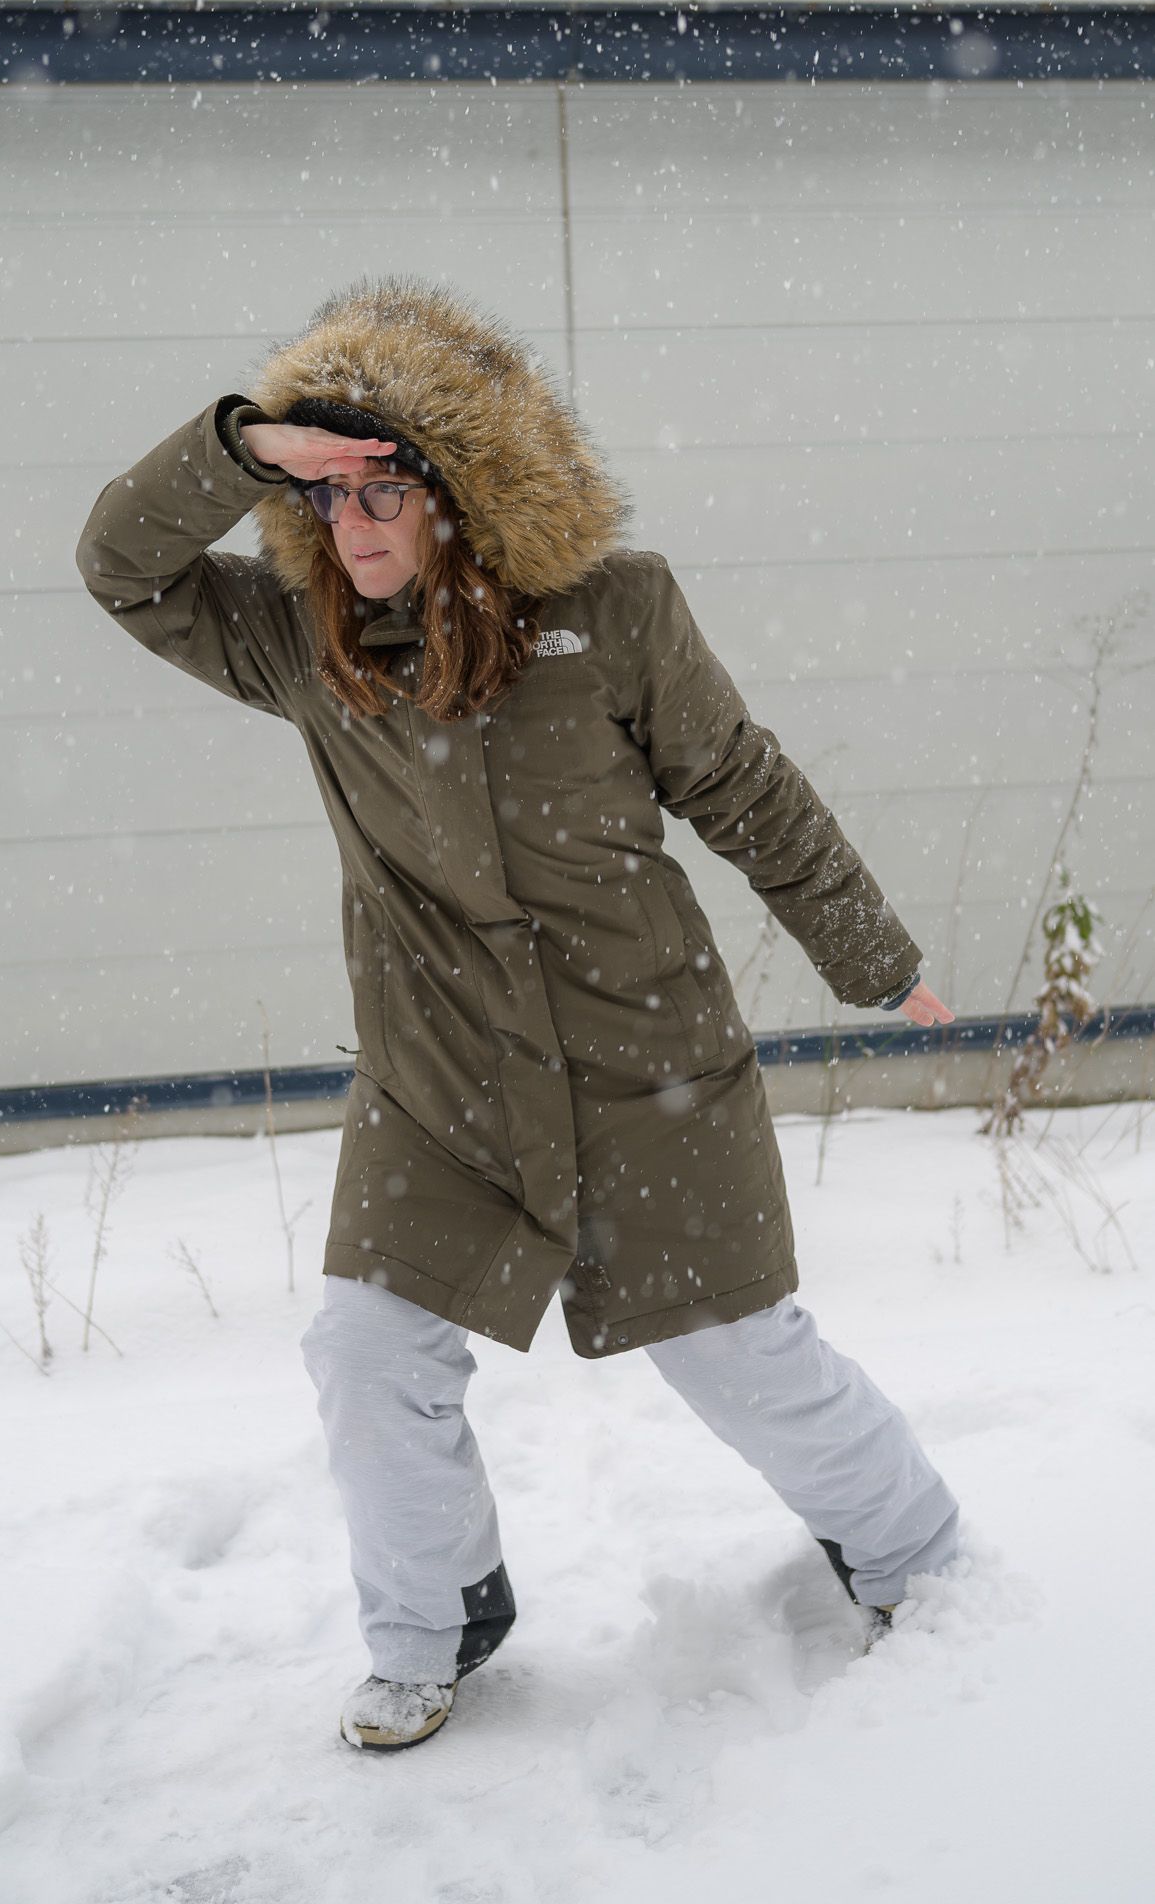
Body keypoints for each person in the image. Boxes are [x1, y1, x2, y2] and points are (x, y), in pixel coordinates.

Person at [76, 274, 960, 1754]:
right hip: (443, 1085)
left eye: (384, 489)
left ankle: (920, 1560)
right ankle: (434, 1622)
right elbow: (122, 569)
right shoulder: (306, 643)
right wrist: (241, 447)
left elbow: (742, 784)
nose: (351, 529)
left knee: (745, 1360)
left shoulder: (614, 617)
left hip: (649, 1066)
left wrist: (871, 954)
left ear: (463, 493)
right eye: (327, 498)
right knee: (365, 1352)